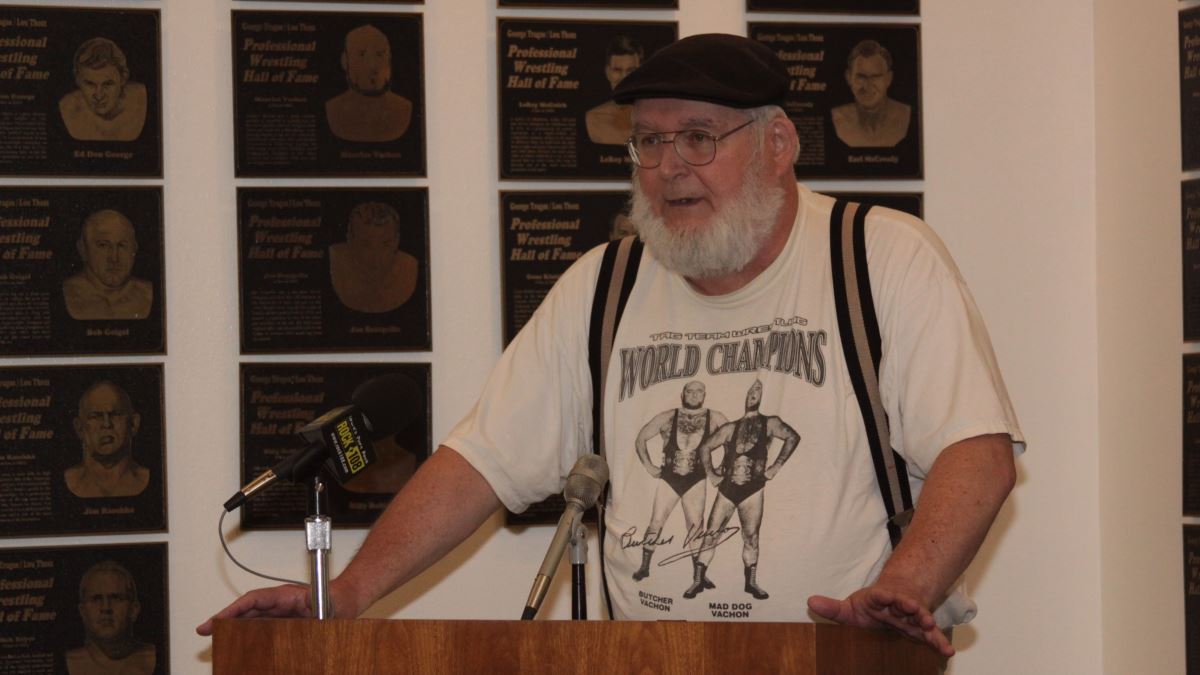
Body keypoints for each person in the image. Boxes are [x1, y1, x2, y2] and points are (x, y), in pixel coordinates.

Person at [199, 34, 1022, 659]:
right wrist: (345, 595)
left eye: (698, 137)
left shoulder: (877, 257)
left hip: (838, 660)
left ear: (777, 144)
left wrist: (899, 591)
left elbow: (976, 453)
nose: (668, 167)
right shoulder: (607, 282)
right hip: (647, 659)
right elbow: (480, 463)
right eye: (649, 142)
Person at [687, 380, 799, 600]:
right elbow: (705, 447)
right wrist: (712, 475)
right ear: (745, 396)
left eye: (759, 390)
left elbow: (792, 437)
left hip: (753, 490)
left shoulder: (770, 422)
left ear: (763, 396)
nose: (754, 393)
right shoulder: (730, 428)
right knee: (711, 535)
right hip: (727, 490)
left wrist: (775, 467)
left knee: (751, 537)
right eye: (751, 390)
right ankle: (698, 581)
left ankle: (751, 583)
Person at [629, 380, 727, 585]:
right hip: (669, 478)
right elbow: (640, 438)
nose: (694, 395)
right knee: (656, 521)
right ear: (682, 394)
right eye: (689, 391)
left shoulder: (716, 417)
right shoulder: (667, 417)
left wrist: (721, 468)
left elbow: (732, 441)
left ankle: (698, 576)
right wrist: (649, 466)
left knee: (695, 527)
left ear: (704, 395)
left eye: (699, 391)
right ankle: (644, 567)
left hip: (696, 479)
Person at [325, 25, 413, 143]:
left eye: (379, 55)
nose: (372, 66)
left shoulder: (403, 109)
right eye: (361, 55)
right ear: (345, 61)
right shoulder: (334, 110)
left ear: (389, 59)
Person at [66, 560, 156, 675]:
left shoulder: (160, 656)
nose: (106, 608)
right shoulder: (64, 663)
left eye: (116, 598)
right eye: (96, 599)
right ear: (83, 612)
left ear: (134, 610)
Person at [62, 209, 153, 321]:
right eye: (103, 245)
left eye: (122, 245)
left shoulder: (148, 294)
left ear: (134, 249)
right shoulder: (65, 294)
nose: (114, 258)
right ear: (83, 249)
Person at [328, 202, 419, 313]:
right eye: (365, 244)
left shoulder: (408, 269)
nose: (375, 256)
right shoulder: (336, 261)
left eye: (385, 244)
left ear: (396, 241)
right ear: (350, 240)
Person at [64, 381, 149, 498]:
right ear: (79, 428)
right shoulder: (67, 481)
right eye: (95, 416)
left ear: (134, 424)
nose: (106, 424)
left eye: (116, 414)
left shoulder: (151, 480)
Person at [58, 38, 147, 142]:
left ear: (123, 78)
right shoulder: (67, 108)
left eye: (107, 84)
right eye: (90, 84)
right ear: (77, 79)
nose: (99, 96)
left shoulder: (142, 100)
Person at [830, 39, 912, 148]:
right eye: (861, 77)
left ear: (888, 79)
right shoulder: (837, 118)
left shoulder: (905, 115)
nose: (868, 86)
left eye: (876, 77)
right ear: (848, 77)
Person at [585, 36, 643, 145]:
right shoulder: (595, 118)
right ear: (608, 72)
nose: (624, 78)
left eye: (631, 70)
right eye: (617, 70)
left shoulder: (655, 116)